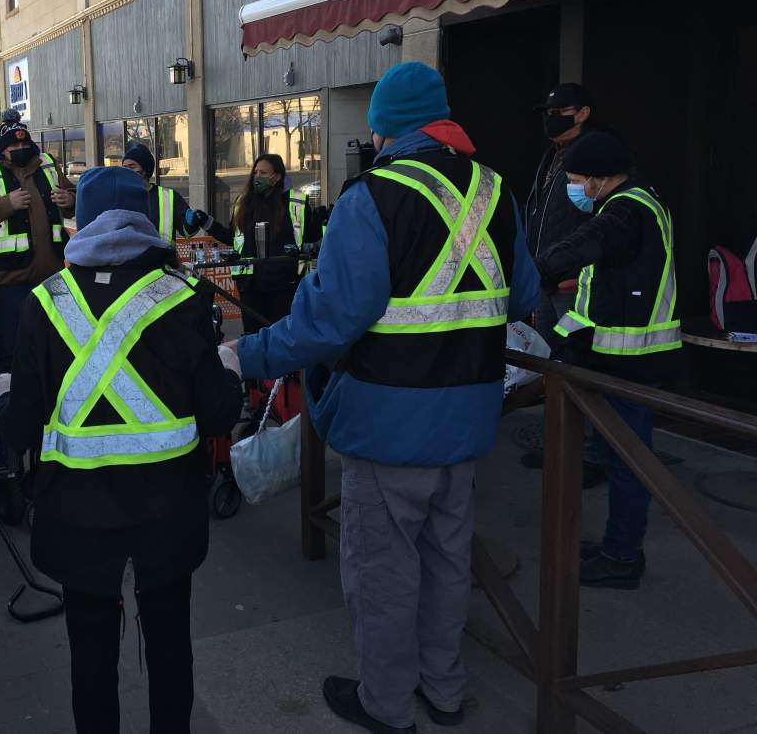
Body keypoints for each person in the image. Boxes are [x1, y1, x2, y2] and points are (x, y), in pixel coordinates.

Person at [228, 63, 540, 734]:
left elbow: (326, 322)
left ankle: (387, 704)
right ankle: (445, 690)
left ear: (384, 128)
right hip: (470, 416)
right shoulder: (495, 191)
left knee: (384, 570)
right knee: (448, 559)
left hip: (388, 422)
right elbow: (525, 298)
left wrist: (246, 354)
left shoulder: (372, 198)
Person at [0, 166, 243, 734]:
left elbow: (23, 424)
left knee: (91, 652)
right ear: (148, 218)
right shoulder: (185, 298)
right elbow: (219, 413)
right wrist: (226, 365)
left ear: (79, 220)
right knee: (171, 642)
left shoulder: (44, 302)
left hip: (76, 511)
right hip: (168, 508)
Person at [537, 131, 681, 590]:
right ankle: (614, 545)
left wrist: (534, 269)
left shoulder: (624, 209)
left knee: (627, 464)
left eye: (578, 180)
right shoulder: (636, 200)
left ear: (601, 179)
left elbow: (587, 243)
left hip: (631, 362)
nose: (574, 188)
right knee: (613, 456)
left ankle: (621, 557)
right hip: (618, 357)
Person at [0, 109, 76, 372]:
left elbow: (70, 193)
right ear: (2, 150)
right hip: (11, 280)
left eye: (25, 144)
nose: (21, 149)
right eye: (14, 146)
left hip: (53, 276)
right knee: (11, 350)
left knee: (57, 344)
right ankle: (5, 403)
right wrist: (6, 205)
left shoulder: (47, 164)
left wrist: (71, 200)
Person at [525, 83, 596, 348]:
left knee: (572, 357)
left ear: (583, 113)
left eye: (559, 113)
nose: (550, 120)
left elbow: (599, 221)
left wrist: (582, 272)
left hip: (573, 284)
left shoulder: (593, 153)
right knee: (545, 355)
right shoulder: (551, 155)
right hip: (545, 278)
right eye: (548, 113)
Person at [228, 153, 322, 333]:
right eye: (255, 172)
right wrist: (207, 223)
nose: (257, 177)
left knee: (282, 338)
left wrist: (317, 222)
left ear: (277, 176)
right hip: (251, 287)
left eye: (263, 173)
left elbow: (310, 238)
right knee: (253, 339)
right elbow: (232, 237)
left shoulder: (295, 202)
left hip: (284, 286)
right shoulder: (244, 203)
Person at [120, 142, 230, 244]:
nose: (127, 172)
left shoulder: (168, 197)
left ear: (145, 170)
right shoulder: (119, 197)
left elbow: (187, 232)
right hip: (130, 263)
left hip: (163, 262)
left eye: (132, 166)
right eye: (124, 168)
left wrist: (190, 223)